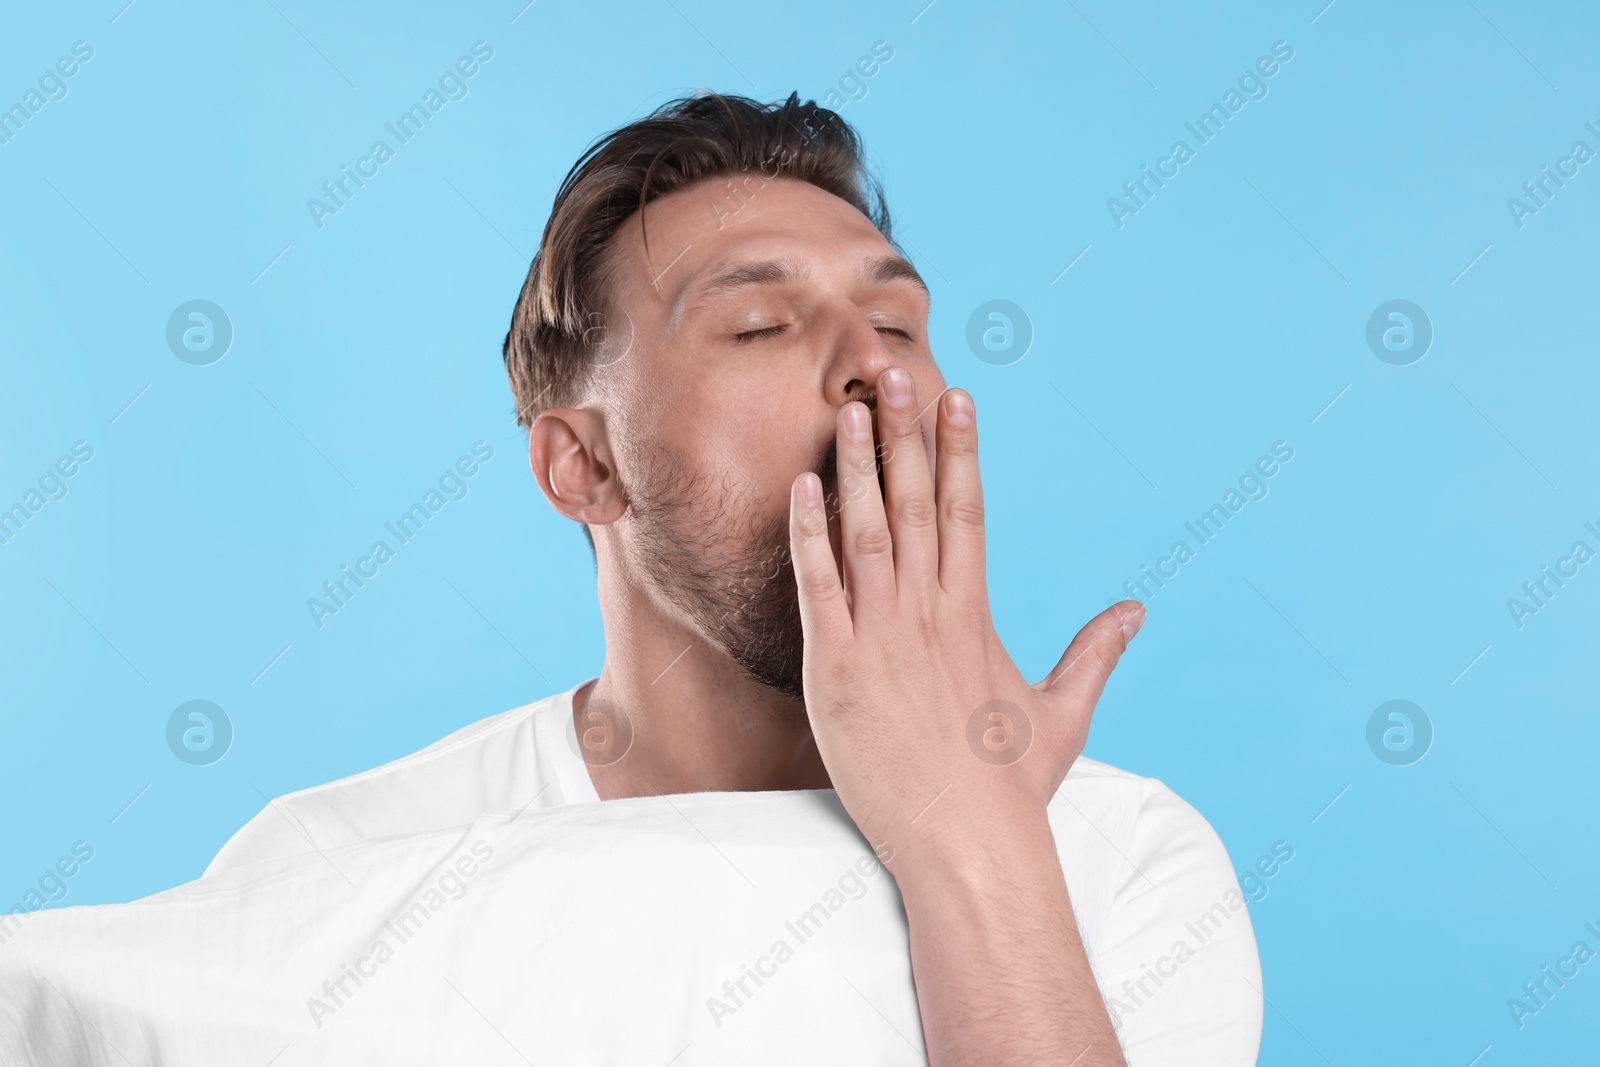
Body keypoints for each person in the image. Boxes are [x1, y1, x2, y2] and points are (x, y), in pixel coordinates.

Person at [208, 91, 1262, 1064]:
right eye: (759, 324)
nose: (875, 367)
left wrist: (976, 840)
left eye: (898, 325)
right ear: (585, 466)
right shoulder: (337, 872)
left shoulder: (1128, 861)